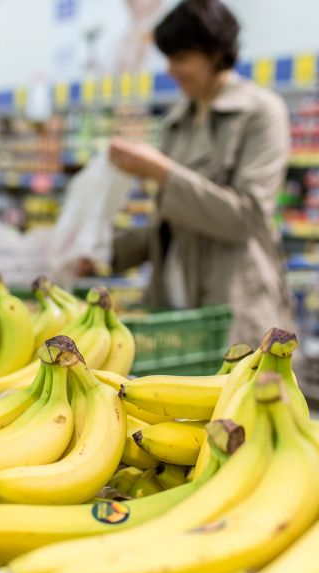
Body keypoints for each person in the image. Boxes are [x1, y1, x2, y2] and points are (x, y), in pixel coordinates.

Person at [105, 0, 295, 347]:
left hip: (232, 310)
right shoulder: (176, 123)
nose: (172, 70)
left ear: (216, 53)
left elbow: (246, 218)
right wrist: (104, 253)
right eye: (168, 59)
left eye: (181, 58)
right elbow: (174, 226)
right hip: (173, 306)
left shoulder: (261, 113)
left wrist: (163, 172)